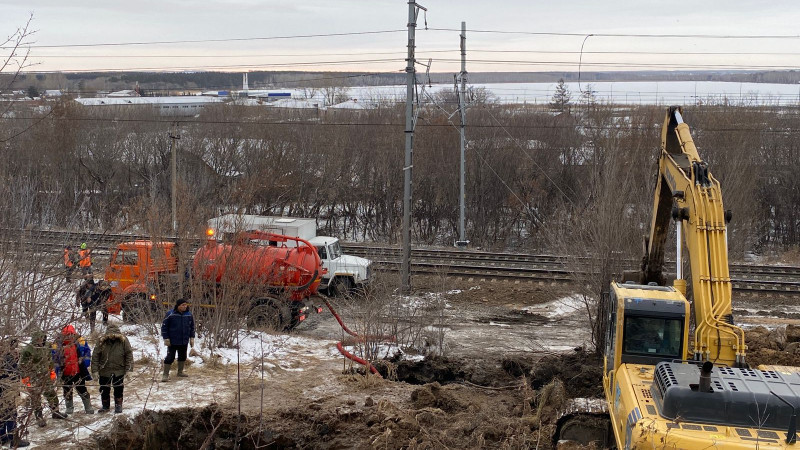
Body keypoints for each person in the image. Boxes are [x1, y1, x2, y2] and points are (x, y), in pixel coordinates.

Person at [20, 330, 66, 426]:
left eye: (42, 338)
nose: (41, 340)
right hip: (34, 377)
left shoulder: (46, 346)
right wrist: (26, 381)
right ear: (35, 339)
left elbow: (49, 360)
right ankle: (39, 418)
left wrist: (52, 372)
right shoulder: (28, 350)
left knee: (51, 394)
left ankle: (56, 412)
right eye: (39, 338)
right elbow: (23, 366)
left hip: (45, 375)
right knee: (36, 398)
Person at [51, 325, 93, 415]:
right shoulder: (57, 344)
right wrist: (57, 369)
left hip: (78, 371)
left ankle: (88, 406)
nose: (69, 336)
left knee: (82, 389)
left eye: (71, 334)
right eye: (67, 334)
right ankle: (69, 408)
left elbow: (87, 352)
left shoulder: (80, 341)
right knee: (67, 391)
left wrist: (85, 362)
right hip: (65, 372)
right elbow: (54, 357)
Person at [91, 324, 133, 414]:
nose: (113, 337)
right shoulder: (101, 341)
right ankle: (105, 406)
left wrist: (129, 369)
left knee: (118, 388)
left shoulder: (124, 341)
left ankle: (118, 405)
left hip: (119, 370)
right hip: (104, 370)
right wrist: (94, 370)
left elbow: (129, 354)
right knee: (104, 389)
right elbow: (95, 356)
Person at [0, 338, 29, 447]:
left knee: (2, 414)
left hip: (3, 391)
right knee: (11, 414)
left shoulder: (5, 356)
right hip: (7, 391)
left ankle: (2, 438)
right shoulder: (7, 358)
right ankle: (14, 440)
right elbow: (12, 373)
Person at [161, 299, 195, 382]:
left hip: (184, 340)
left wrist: (192, 337)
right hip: (172, 341)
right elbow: (164, 327)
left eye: (185, 305)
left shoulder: (189, 315)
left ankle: (180, 372)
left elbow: (192, 327)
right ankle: (165, 375)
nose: (184, 306)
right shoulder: (170, 314)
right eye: (182, 305)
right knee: (170, 357)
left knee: (182, 357)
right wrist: (166, 338)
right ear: (178, 306)